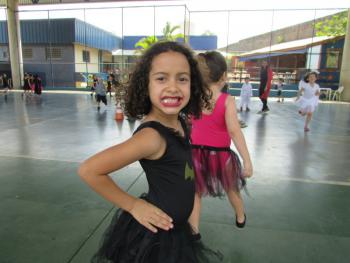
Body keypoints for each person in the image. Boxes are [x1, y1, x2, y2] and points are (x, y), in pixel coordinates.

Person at [78, 41, 222, 263]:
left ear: (192, 85)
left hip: (178, 229)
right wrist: (133, 205)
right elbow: (89, 170)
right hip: (158, 237)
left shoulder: (181, 122)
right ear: (146, 85)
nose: (173, 87)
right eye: (161, 78)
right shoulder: (151, 137)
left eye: (182, 78)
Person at [188, 51, 253, 240]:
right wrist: (247, 161)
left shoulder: (194, 97)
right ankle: (240, 216)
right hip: (221, 156)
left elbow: (191, 122)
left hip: (196, 154)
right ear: (223, 76)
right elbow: (234, 131)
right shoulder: (227, 100)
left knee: (195, 192)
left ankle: (194, 230)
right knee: (232, 188)